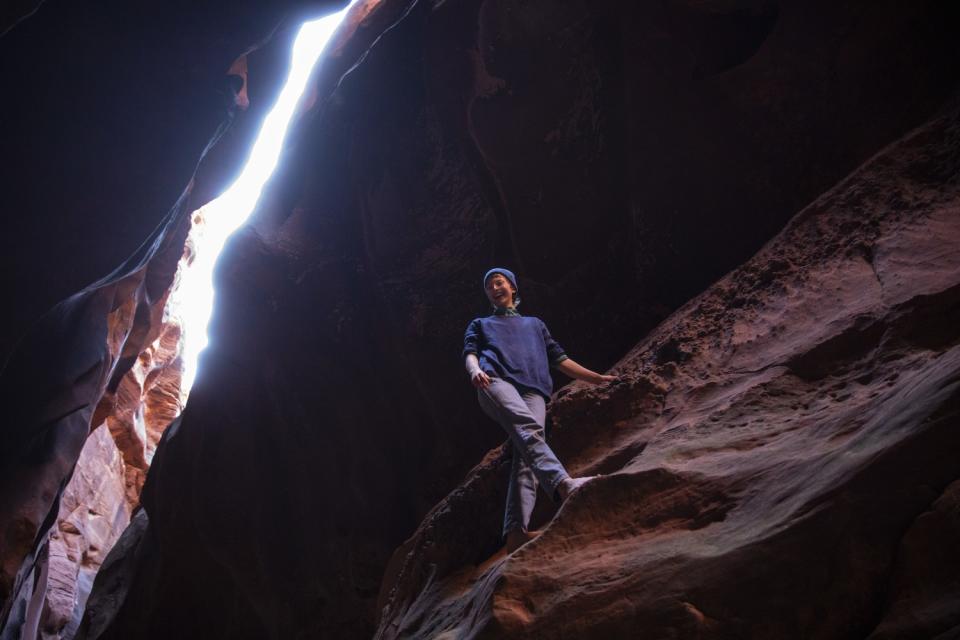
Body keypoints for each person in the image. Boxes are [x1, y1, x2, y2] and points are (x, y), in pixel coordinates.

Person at [463, 268, 616, 553]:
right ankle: (564, 484)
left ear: (512, 287)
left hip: (533, 390)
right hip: (494, 382)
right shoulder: (481, 323)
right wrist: (474, 370)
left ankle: (515, 533)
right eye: (489, 286)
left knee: (527, 452)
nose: (494, 288)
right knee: (527, 427)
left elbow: (560, 359)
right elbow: (470, 350)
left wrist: (597, 379)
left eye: (499, 282)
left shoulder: (535, 324)